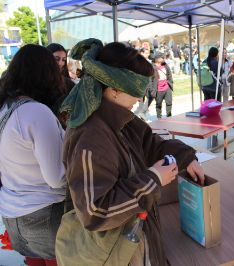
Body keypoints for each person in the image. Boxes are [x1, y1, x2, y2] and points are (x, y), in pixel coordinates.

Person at [61, 39, 204, 265]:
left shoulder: (118, 117)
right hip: (120, 251)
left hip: (138, 239)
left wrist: (187, 157)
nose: (139, 99)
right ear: (114, 89)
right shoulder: (90, 136)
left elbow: (152, 144)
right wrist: (154, 179)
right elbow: (95, 211)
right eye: (136, 91)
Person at [0, 44, 66, 266]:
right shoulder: (36, 112)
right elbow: (56, 178)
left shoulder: (5, 108)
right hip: (45, 215)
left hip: (13, 215)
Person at [153, 53, 173, 118]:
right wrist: (152, 89)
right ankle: (159, 117)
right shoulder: (153, 67)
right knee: (158, 104)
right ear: (157, 59)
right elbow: (150, 79)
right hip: (158, 89)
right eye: (162, 58)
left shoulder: (165, 65)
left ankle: (169, 116)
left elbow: (169, 74)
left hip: (167, 87)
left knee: (169, 102)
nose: (164, 59)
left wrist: (170, 82)